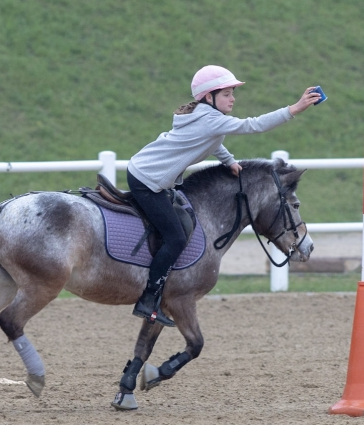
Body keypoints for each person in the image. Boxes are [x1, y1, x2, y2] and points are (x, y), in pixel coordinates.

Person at [126, 65, 322, 325]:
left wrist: (229, 160)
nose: (233, 98)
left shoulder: (203, 116)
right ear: (209, 97)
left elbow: (213, 140)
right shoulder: (210, 118)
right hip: (147, 181)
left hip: (143, 171)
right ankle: (148, 300)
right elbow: (253, 125)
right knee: (175, 237)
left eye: (232, 93)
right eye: (227, 93)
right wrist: (293, 109)